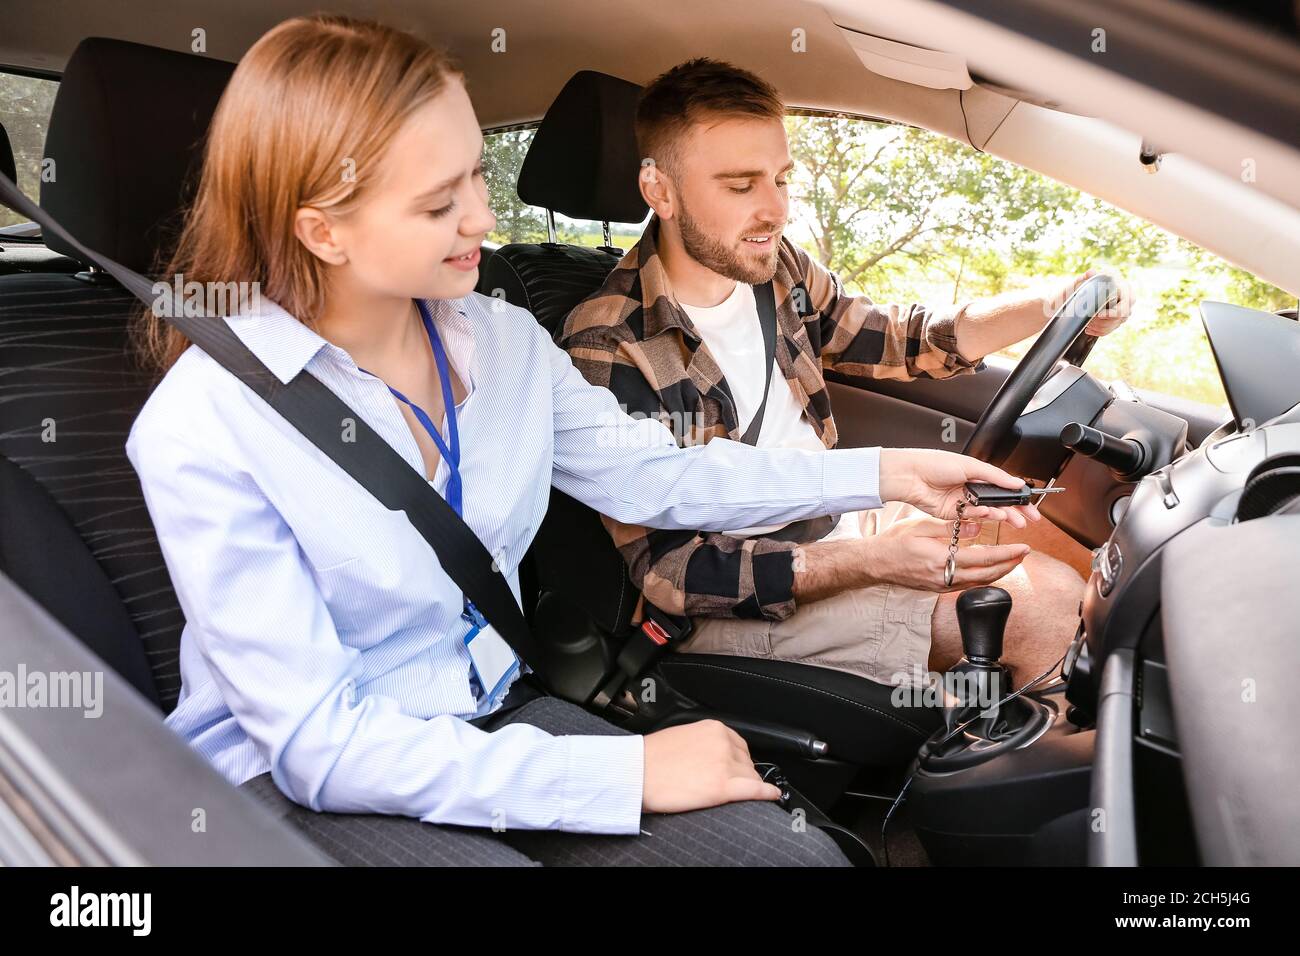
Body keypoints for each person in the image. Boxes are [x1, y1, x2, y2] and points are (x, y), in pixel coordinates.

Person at [126, 15, 1038, 867]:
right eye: (441, 202)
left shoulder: (504, 341)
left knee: (795, 856)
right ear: (323, 230)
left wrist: (885, 473)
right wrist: (622, 774)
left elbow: (657, 473)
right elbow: (316, 744)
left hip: (496, 708)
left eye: (478, 177)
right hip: (305, 778)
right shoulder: (205, 424)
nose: (484, 219)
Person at [559, 58, 1133, 689]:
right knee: (1045, 606)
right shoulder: (610, 340)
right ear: (659, 191)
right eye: (741, 185)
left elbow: (899, 340)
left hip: (840, 523)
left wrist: (1051, 303)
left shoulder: (776, 267)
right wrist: (870, 561)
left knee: (1099, 563)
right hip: (736, 600)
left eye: (780, 179)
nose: (774, 210)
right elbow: (674, 574)